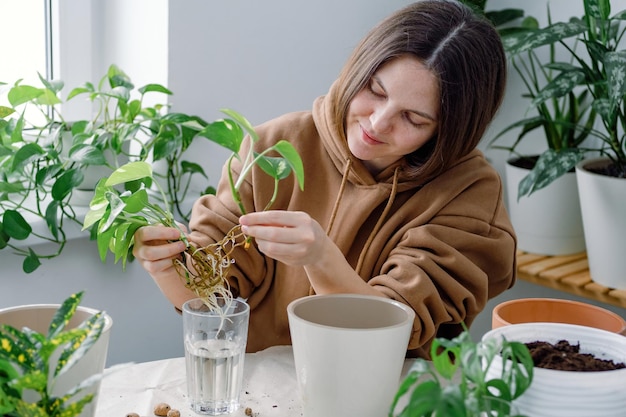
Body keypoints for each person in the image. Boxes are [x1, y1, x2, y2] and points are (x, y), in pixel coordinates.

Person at [133, 0, 516, 358]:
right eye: (374, 91)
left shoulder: (469, 189)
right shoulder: (274, 146)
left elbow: (396, 330)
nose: (378, 122)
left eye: (413, 119)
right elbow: (214, 301)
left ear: (449, 131)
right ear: (357, 70)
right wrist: (165, 267)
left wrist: (320, 258)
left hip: (383, 392)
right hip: (258, 390)